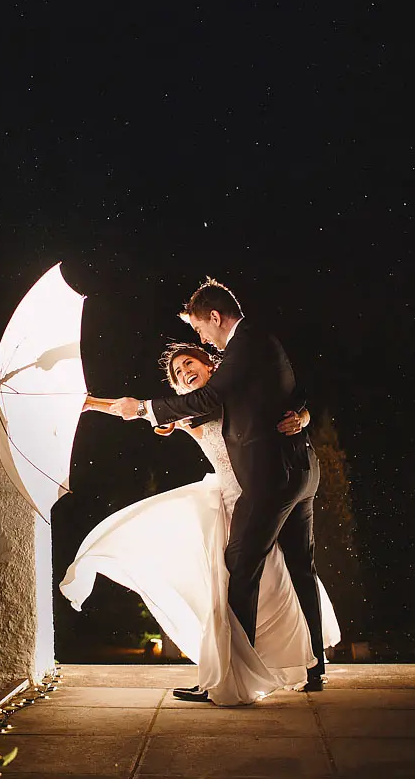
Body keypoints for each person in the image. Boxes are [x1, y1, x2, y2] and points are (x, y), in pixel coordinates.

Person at [64, 343, 340, 705]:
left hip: (268, 492)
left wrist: (302, 418)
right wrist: (90, 403)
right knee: (245, 584)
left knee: (285, 574)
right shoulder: (189, 411)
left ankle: (258, 672)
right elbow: (134, 409)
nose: (184, 373)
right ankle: (240, 672)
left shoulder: (234, 391)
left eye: (188, 363)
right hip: (231, 502)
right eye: (178, 374)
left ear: (210, 366)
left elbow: (290, 399)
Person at [109, 277, 328, 693]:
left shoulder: (245, 344)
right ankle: (314, 669)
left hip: (271, 477)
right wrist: (302, 413)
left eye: (199, 328)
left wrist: (143, 408)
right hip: (300, 471)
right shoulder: (259, 342)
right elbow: (295, 388)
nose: (202, 338)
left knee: (240, 567)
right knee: (301, 567)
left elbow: (210, 399)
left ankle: (234, 679)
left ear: (214, 316)